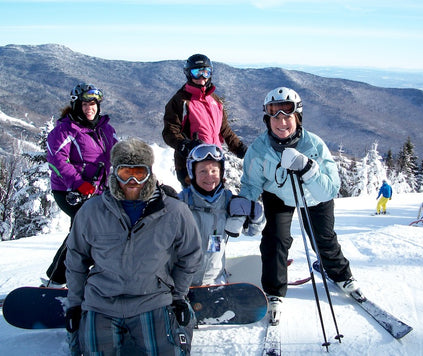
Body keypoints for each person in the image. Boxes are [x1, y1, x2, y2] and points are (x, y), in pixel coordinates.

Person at [65, 137, 203, 355]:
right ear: (114, 174)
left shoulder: (174, 212)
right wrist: (74, 304)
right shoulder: (92, 211)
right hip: (101, 302)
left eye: (139, 173)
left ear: (149, 174)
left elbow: (191, 254)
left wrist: (178, 296)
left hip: (152, 300)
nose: (132, 181)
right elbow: (76, 258)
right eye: (124, 173)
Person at [238, 87, 362, 323]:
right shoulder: (259, 149)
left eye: (287, 115)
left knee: (322, 238)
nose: (281, 122)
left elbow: (330, 189)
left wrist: (308, 169)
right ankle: (274, 291)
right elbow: (251, 184)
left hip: (313, 196)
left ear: (298, 117)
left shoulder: (314, 145)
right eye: (274, 116)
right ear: (267, 120)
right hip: (278, 194)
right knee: (275, 238)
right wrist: (244, 206)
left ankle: (341, 275)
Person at [43, 83, 117, 287]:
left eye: (93, 104)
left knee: (90, 231)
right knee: (86, 230)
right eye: (85, 104)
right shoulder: (66, 130)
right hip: (69, 191)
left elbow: (119, 153)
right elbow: (56, 160)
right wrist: (78, 183)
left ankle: (71, 277)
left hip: (98, 191)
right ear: (76, 106)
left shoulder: (105, 129)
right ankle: (57, 279)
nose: (90, 108)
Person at [178, 143, 265, 286]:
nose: (209, 177)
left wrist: (257, 216)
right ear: (192, 173)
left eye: (214, 171)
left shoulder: (229, 201)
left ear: (221, 172)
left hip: (215, 281)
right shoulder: (182, 201)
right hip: (182, 283)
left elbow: (251, 231)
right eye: (203, 171)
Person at [162, 53, 247, 187]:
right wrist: (184, 145)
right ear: (189, 74)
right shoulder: (181, 101)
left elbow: (225, 130)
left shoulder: (215, 101)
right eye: (197, 72)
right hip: (190, 164)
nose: (202, 77)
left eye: (205, 72)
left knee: (216, 202)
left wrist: (241, 149)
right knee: (194, 204)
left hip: (214, 162)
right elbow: (169, 131)